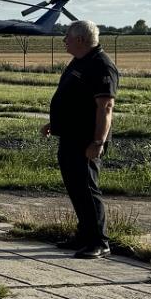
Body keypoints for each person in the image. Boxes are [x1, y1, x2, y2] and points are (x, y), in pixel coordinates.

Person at [42, 20, 119, 258]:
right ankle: (84, 235)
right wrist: (55, 123)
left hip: (86, 140)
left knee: (87, 188)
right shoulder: (80, 61)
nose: (64, 41)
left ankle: (99, 241)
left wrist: (98, 142)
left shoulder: (101, 65)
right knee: (75, 187)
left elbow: (105, 107)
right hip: (69, 135)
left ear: (81, 40)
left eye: (67, 36)